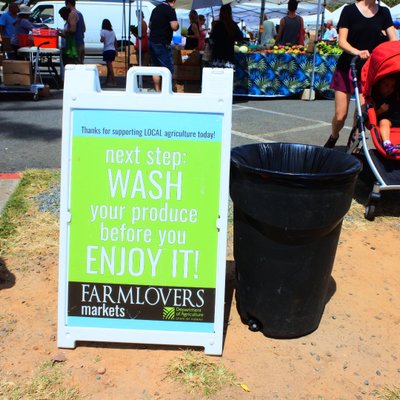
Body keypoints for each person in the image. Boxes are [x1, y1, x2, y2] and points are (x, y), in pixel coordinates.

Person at [324, 0, 397, 148]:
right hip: (347, 67)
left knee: (362, 114)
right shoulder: (349, 11)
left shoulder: (384, 13)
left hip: (368, 72)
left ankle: (354, 144)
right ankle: (334, 135)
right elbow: (342, 42)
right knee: (340, 116)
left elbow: (393, 40)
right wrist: (357, 52)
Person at [148, 0, 179, 92]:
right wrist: (177, 25)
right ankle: (167, 91)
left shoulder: (155, 9)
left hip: (152, 41)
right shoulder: (170, 10)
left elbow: (150, 25)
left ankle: (157, 90)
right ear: (174, 1)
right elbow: (174, 26)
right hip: (162, 42)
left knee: (156, 67)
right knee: (168, 69)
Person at [373, 74, 400, 155]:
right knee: (384, 122)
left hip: (397, 117)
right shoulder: (376, 97)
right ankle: (387, 144)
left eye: (392, 86)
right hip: (387, 120)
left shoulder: (395, 95)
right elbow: (373, 116)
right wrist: (380, 110)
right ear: (379, 85)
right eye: (386, 85)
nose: (389, 89)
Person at [100, 19, 117, 86]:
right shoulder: (112, 32)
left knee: (109, 66)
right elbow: (115, 41)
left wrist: (101, 39)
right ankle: (107, 81)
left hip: (107, 50)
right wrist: (116, 50)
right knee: (108, 66)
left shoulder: (103, 31)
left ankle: (114, 81)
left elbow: (102, 40)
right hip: (112, 49)